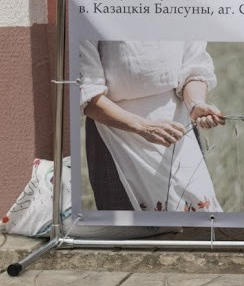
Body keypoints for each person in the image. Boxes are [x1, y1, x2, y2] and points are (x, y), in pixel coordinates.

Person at [76, 41, 224, 213]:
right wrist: (143, 127)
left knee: (199, 217)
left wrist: (195, 103)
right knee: (133, 230)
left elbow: (194, 65)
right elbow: (88, 91)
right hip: (116, 133)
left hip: (179, 127)